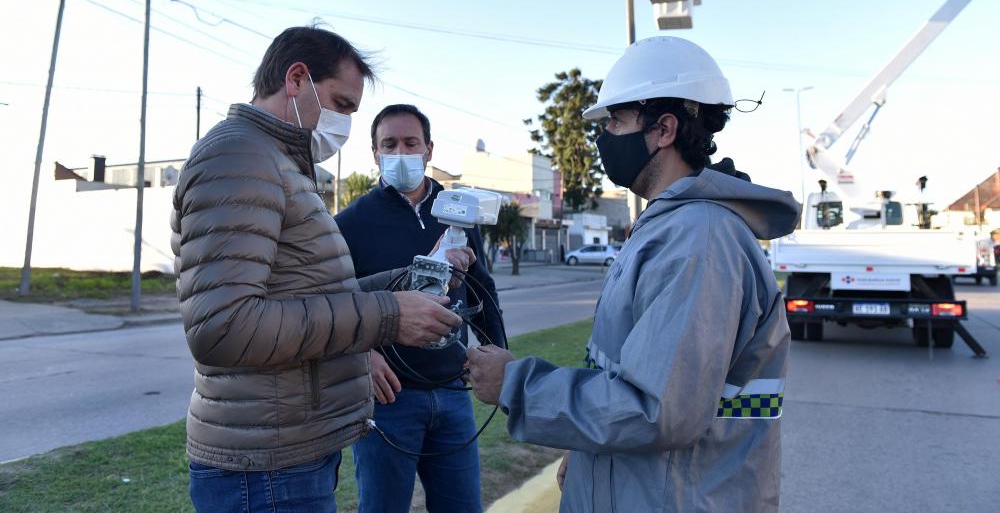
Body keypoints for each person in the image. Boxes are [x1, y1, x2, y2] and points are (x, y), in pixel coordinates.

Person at [466, 36, 801, 512]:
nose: (606, 137)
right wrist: (584, 449)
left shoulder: (698, 240)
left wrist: (514, 384)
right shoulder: (667, 226)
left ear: (663, 129)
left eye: (616, 121)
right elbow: (627, 373)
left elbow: (657, 411)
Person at [171, 27, 470, 513]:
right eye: (342, 104)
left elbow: (314, 292)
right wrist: (388, 316)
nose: (345, 123)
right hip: (265, 465)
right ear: (296, 79)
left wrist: (412, 282)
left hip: (291, 449)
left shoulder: (278, 162)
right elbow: (223, 328)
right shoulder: (238, 157)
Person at [335, 104, 504, 513]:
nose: (400, 152)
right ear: (374, 154)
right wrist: (362, 356)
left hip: (452, 392)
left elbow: (482, 286)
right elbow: (335, 304)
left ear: (429, 150)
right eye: (389, 144)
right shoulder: (348, 224)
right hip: (389, 400)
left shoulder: (458, 210)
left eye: (411, 143)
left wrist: (497, 352)